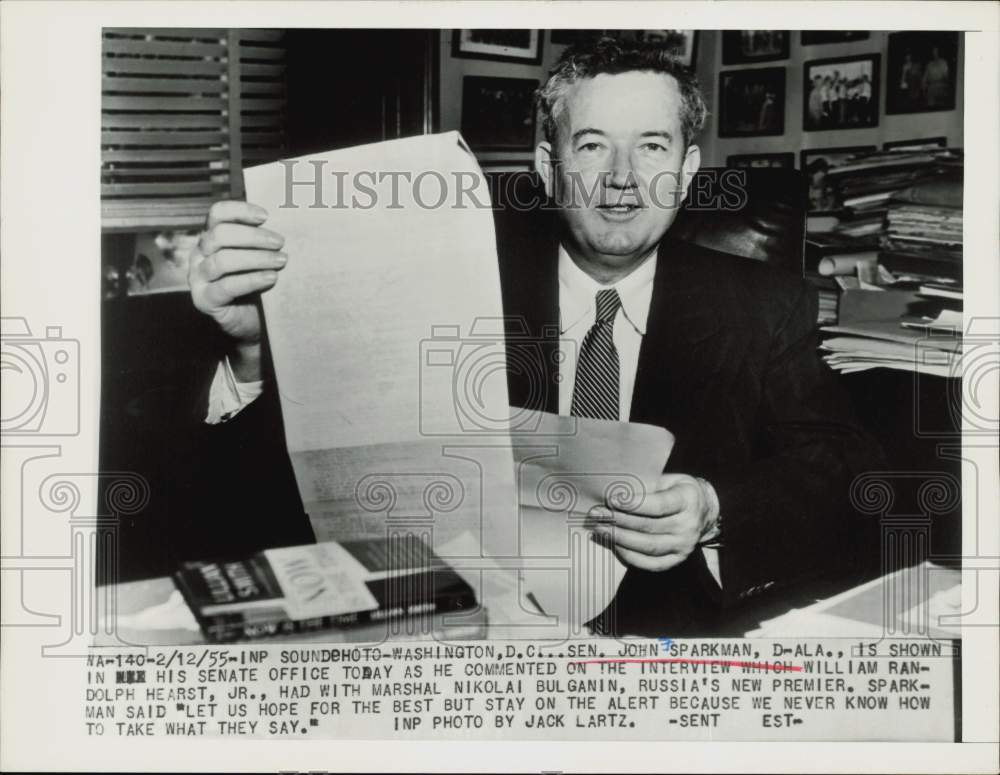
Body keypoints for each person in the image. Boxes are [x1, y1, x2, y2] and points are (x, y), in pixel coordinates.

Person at [185, 38, 881, 635]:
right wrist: (254, 348)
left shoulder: (763, 305)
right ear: (548, 169)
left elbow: (845, 471)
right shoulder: (453, 276)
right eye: (591, 146)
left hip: (665, 637)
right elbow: (277, 482)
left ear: (687, 172)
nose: (621, 180)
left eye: (651, 147)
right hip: (464, 626)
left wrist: (713, 506)